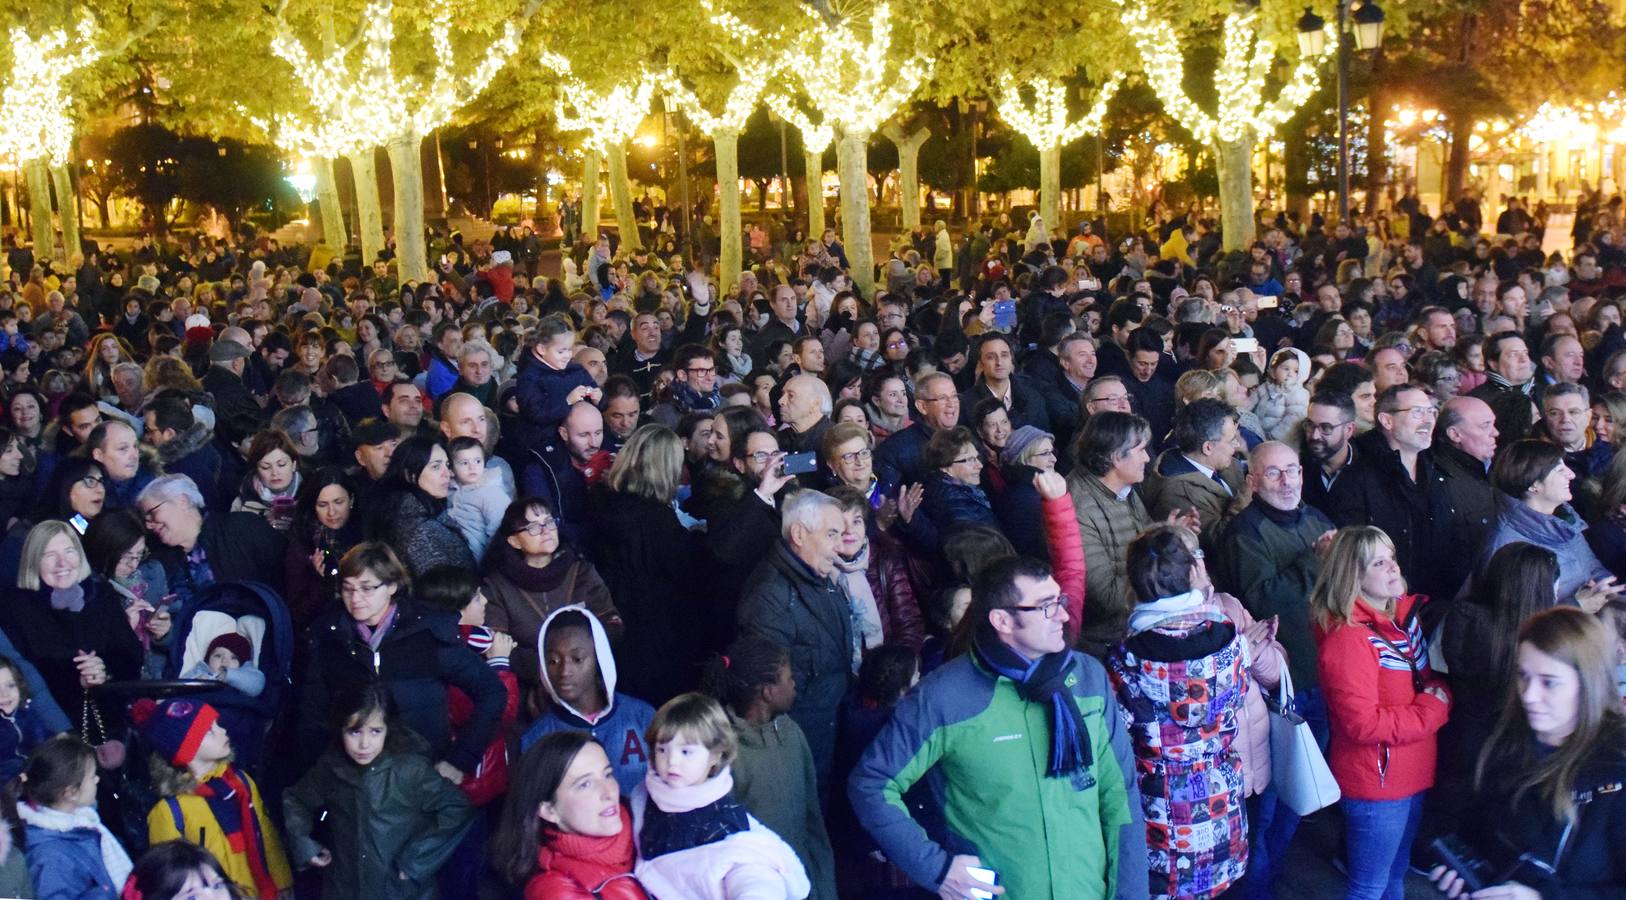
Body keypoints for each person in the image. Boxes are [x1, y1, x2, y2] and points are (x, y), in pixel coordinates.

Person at [851, 556, 1146, 899]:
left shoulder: (1088, 677)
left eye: (1060, 601)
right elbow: (871, 783)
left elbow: (1119, 794)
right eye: (1046, 607)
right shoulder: (943, 696)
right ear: (1002, 620)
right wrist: (936, 869)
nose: (1064, 616)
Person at [1109, 524, 1282, 900]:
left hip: (1163, 812)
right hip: (1223, 795)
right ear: (1192, 573)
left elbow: (1120, 736)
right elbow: (1237, 697)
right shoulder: (1227, 636)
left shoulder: (1126, 659)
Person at [1430, 607, 1626, 899]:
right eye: (1523, 676)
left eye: (1549, 682)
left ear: (1588, 684)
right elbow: (1475, 828)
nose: (1529, 695)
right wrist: (1467, 872)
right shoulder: (1500, 737)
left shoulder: (1616, 770)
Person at [1312, 526, 1451, 900]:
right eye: (1379, 562)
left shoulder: (1402, 621)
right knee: (1368, 887)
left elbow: (1431, 680)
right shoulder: (1348, 640)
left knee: (1395, 875)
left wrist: (1434, 698)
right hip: (1378, 784)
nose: (1393, 568)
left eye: (1392, 558)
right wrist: (1433, 708)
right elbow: (1363, 724)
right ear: (1352, 576)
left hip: (1411, 772)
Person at [301, 543, 505, 781]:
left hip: (421, 777)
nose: (355, 598)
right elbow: (311, 716)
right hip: (355, 783)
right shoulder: (329, 636)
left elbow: (491, 691)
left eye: (367, 588)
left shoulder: (426, 632)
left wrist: (460, 759)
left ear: (391, 586)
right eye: (348, 589)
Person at [283, 683, 473, 900]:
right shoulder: (332, 766)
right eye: (354, 731)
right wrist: (305, 844)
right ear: (340, 729)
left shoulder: (410, 770)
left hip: (399, 891)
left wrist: (416, 861)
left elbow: (457, 807)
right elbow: (297, 798)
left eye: (375, 731)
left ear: (388, 729)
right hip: (345, 888)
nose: (364, 744)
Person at [629, 692, 811, 900]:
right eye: (662, 749)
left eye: (686, 752)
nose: (672, 761)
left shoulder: (727, 826)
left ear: (716, 754)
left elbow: (752, 877)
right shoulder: (641, 799)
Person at [702, 635, 837, 900]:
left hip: (802, 884)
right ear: (768, 691)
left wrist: (825, 888)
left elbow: (812, 820)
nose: (794, 683)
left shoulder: (792, 734)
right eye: (788, 678)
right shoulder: (722, 752)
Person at [736, 490, 855, 788]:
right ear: (799, 534)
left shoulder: (819, 576)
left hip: (831, 732)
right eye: (832, 534)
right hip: (803, 748)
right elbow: (770, 693)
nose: (840, 547)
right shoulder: (769, 597)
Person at [586, 425, 707, 704]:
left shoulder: (603, 501)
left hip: (616, 620)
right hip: (658, 634)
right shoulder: (657, 520)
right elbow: (688, 573)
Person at [136, 697, 292, 898]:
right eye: (209, 730)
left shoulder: (241, 782)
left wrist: (282, 879)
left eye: (217, 724)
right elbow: (170, 877)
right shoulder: (171, 811)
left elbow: (266, 833)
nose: (222, 731)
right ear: (186, 749)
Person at [1, 521, 141, 726]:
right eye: (50, 555)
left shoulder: (102, 595)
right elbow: (24, 676)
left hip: (111, 713)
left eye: (69, 551)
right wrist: (78, 680)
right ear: (34, 561)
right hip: (52, 725)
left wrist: (104, 671)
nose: (62, 563)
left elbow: (131, 658)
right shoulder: (14, 607)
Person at [482, 498, 621, 698]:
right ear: (514, 541)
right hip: (530, 693)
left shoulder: (581, 571)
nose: (546, 530)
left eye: (548, 522)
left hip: (588, 686)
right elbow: (498, 647)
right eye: (533, 527)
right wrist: (551, 670)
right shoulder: (497, 586)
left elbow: (612, 622)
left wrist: (581, 662)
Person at [490, 732, 649, 900]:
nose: (608, 792)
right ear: (549, 811)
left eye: (607, 774)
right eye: (585, 784)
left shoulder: (647, 823)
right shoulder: (555, 891)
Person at [520, 607, 654, 795]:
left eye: (577, 659)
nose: (565, 671)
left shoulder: (642, 717)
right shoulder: (537, 738)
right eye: (553, 661)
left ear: (599, 658)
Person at [1481, 440, 1617, 606]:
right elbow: (1513, 618)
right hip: (1560, 628)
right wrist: (1576, 606)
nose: (1571, 475)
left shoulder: (1565, 522)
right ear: (1534, 485)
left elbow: (1593, 569)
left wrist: (1612, 593)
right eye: (1560, 470)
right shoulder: (1506, 543)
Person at [1068, 411, 1156, 655]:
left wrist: (1167, 533)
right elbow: (1107, 597)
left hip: (1139, 618)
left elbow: (1145, 537)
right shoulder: (1079, 508)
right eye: (1141, 450)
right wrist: (1165, 575)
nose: (1148, 459)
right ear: (1117, 458)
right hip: (1108, 639)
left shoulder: (1123, 487)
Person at [139, 474, 288, 603]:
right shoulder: (160, 565)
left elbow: (289, 573)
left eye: (152, 513)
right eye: (146, 520)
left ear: (182, 501)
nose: (149, 525)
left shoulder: (241, 527)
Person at [16, 735, 132, 900]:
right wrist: (101, 892)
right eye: (92, 777)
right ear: (71, 793)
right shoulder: (51, 858)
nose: (97, 779)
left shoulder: (83, 821)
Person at [371, 435, 477, 578]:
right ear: (410, 474)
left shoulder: (411, 512)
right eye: (436, 467)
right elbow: (439, 591)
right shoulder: (420, 531)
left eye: (447, 465)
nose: (448, 474)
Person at [446, 435, 511, 560]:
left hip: (481, 558)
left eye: (477, 461)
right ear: (451, 469)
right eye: (464, 463)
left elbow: (500, 532)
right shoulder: (448, 488)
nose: (472, 467)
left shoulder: (492, 493)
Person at [230, 430, 303, 531]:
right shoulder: (241, 502)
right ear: (256, 469)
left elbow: (326, 544)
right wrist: (262, 526)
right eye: (265, 467)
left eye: (281, 464)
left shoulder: (315, 495)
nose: (275, 472)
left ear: (294, 465)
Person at [0, 654, 54, 784]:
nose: (5, 694)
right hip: (10, 787)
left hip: (36, 772)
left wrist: (56, 740)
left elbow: (41, 733)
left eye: (11, 685)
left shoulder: (24, 710)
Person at [1251, 348, 1310, 441]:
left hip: (1279, 442)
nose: (1290, 374)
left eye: (1296, 371)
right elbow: (1250, 403)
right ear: (1273, 371)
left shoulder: (1298, 394)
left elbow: (1292, 421)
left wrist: (1272, 438)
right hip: (1257, 435)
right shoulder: (1266, 387)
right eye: (1286, 369)